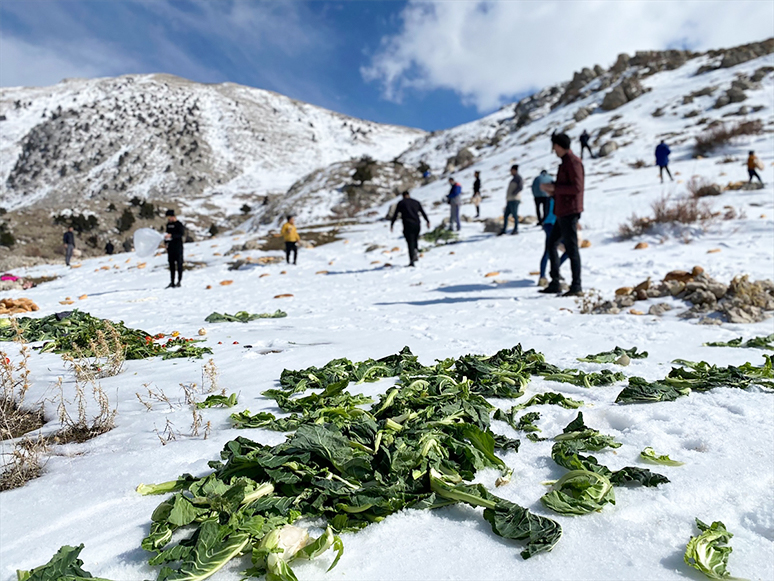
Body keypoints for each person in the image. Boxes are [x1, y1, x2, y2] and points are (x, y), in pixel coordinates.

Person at [539, 132, 584, 296]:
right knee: (552, 244)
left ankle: (576, 286)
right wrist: (553, 189)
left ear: (559, 146)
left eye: (554, 146)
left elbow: (577, 188)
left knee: (571, 249)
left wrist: (554, 189)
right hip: (561, 210)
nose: (553, 150)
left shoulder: (573, 162)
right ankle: (555, 282)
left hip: (570, 211)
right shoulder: (566, 163)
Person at [390, 190, 430, 267]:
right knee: (415, 239)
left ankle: (412, 261)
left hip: (407, 224)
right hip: (417, 224)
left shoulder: (401, 203)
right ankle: (415, 251)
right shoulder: (416, 202)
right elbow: (423, 212)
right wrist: (427, 221)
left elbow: (395, 214)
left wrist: (392, 224)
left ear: (403, 196)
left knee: (410, 242)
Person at [538, 196, 568, 287]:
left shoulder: (556, 197)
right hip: (551, 224)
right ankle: (543, 276)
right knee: (549, 250)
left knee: (568, 249)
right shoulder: (553, 198)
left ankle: (553, 270)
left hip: (556, 224)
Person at [499, 165, 523, 235]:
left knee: (514, 215)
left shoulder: (518, 178)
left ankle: (515, 229)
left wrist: (514, 193)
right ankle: (504, 229)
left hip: (514, 199)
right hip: (510, 199)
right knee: (506, 215)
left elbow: (520, 187)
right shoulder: (513, 179)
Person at [164, 209, 185, 288]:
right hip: (170, 247)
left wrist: (172, 235)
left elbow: (181, 234)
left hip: (178, 246)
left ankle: (179, 281)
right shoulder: (168, 225)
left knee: (179, 264)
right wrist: (166, 243)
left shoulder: (179, 224)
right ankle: (172, 282)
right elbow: (166, 234)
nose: (168, 219)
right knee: (171, 265)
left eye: (169, 217)